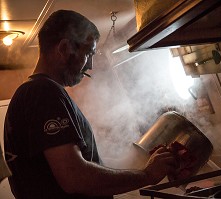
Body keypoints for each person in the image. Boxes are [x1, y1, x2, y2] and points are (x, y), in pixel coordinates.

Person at [4, 10, 177, 199]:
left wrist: (142, 163)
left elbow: (83, 162)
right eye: (88, 53)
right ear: (63, 48)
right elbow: (75, 177)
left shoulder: (32, 93)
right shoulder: (43, 92)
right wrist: (147, 175)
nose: (90, 65)